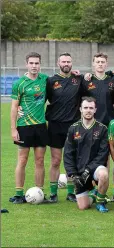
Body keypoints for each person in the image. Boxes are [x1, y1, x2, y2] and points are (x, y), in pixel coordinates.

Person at [9, 52, 49, 204]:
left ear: (40, 64)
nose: (34, 66)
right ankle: (19, 194)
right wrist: (13, 130)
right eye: (31, 63)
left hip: (40, 126)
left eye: (37, 63)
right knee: (22, 160)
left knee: (40, 160)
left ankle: (40, 192)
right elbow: (14, 108)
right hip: (24, 127)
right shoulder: (19, 84)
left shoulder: (45, 80)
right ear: (26, 64)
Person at [46, 52, 86, 203]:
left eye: (68, 61)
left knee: (72, 160)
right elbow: (41, 98)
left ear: (72, 63)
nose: (66, 64)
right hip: (55, 125)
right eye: (63, 61)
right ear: (58, 63)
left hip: (73, 126)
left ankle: (71, 192)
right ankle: (53, 193)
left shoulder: (78, 79)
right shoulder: (51, 81)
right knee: (56, 160)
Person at [63, 97, 110, 212]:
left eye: (91, 108)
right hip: (79, 172)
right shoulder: (73, 129)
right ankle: (94, 194)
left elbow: (102, 154)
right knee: (83, 207)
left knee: (104, 173)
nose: (88, 110)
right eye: (85, 108)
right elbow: (68, 154)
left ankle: (100, 202)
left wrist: (88, 170)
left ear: (95, 110)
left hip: (94, 170)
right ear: (80, 109)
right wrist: (73, 175)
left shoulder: (102, 128)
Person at [82, 53, 114, 127]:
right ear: (93, 64)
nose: (100, 64)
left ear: (106, 64)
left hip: (109, 121)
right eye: (98, 62)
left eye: (102, 62)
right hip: (92, 121)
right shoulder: (86, 81)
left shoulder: (113, 81)